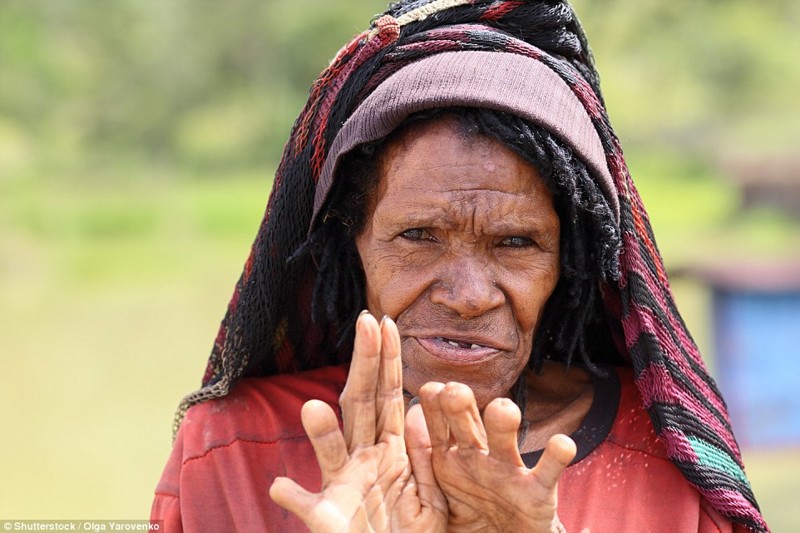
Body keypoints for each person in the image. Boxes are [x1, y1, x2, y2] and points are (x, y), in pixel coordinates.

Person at [151, 1, 768, 531]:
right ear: (351, 241)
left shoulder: (666, 462)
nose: (470, 296)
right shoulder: (232, 452)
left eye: (516, 243)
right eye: (419, 236)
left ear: (570, 262)